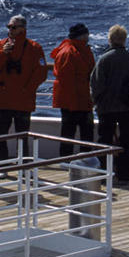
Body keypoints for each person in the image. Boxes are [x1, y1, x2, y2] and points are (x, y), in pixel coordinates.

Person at [90, 24, 129, 181]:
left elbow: (96, 85)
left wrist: (95, 101)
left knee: (105, 141)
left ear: (110, 40)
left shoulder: (103, 60)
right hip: (128, 107)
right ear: (124, 40)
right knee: (127, 141)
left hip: (106, 108)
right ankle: (125, 174)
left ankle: (103, 174)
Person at [0, 14, 47, 162]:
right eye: (9, 27)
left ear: (22, 29)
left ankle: (24, 165)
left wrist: (27, 89)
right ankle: (1, 165)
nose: (10, 30)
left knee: (23, 137)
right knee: (0, 135)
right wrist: (3, 54)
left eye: (13, 27)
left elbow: (42, 72)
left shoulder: (35, 48)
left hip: (23, 101)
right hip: (3, 99)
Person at [50, 23, 95, 157]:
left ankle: (83, 161)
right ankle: (66, 161)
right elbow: (67, 80)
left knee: (82, 134)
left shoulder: (79, 50)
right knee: (70, 134)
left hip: (81, 99)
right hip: (74, 101)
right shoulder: (69, 52)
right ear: (82, 35)